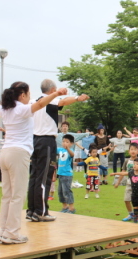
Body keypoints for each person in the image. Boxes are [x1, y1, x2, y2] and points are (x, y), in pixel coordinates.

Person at [0, 81, 67, 244]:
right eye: (29, 94)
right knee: (17, 195)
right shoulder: (22, 109)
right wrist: (57, 93)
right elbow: (41, 103)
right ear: (23, 95)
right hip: (18, 154)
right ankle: (12, 233)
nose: (30, 97)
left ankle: (3, 230)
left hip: (5, 153)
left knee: (7, 195)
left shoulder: (5, 109)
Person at [27, 79, 89, 222]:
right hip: (46, 141)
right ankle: (41, 212)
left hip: (34, 140)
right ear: (53, 89)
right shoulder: (50, 100)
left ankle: (31, 210)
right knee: (44, 178)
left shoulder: (34, 103)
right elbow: (63, 101)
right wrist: (77, 98)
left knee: (35, 177)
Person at [111, 143, 138, 222]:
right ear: (129, 151)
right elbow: (123, 172)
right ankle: (131, 214)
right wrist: (118, 182)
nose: (133, 151)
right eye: (131, 149)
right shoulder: (127, 161)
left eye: (135, 149)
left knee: (136, 201)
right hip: (129, 184)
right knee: (126, 200)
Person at [57, 134, 76, 214]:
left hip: (67, 174)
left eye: (67, 142)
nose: (65, 143)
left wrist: (67, 148)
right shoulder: (60, 150)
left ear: (71, 143)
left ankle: (71, 208)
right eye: (63, 141)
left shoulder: (70, 151)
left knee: (67, 191)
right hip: (60, 173)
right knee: (60, 191)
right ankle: (65, 206)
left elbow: (72, 155)